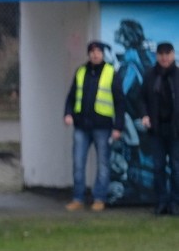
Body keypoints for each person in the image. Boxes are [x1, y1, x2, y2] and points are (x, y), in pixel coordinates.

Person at [63, 40, 125, 212]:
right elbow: (71, 96)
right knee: (78, 163)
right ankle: (78, 197)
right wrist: (68, 113)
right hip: (81, 125)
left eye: (98, 51)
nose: (95, 54)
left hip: (103, 126)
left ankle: (99, 198)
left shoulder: (111, 72)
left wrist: (118, 127)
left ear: (103, 54)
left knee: (103, 164)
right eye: (92, 51)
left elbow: (120, 102)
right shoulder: (81, 71)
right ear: (88, 54)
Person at [140, 42, 179, 215]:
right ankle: (161, 202)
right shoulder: (150, 75)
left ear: (173, 55)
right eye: (161, 54)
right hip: (156, 129)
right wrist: (144, 115)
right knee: (158, 167)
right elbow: (141, 98)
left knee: (176, 168)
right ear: (156, 56)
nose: (164, 57)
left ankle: (175, 202)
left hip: (176, 130)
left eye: (167, 54)